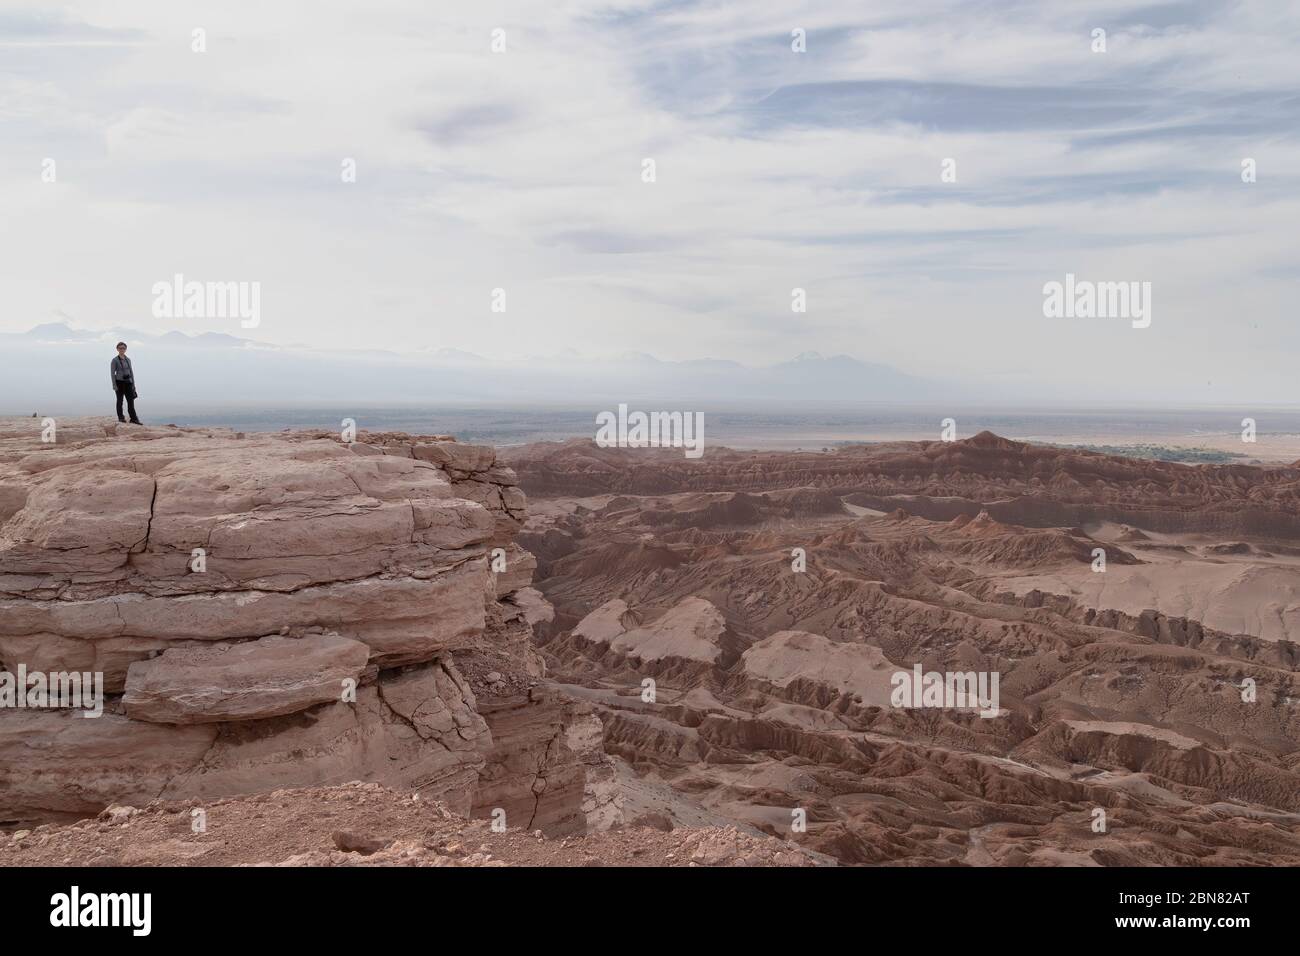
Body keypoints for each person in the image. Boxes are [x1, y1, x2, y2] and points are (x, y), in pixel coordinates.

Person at [110, 342, 141, 424]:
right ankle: (121, 418)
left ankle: (134, 419)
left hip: (128, 383)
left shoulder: (128, 359)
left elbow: (131, 372)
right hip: (119, 383)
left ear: (126, 349)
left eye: (123, 348)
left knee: (131, 401)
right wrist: (114, 385)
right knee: (120, 401)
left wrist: (133, 384)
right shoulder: (115, 360)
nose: (122, 349)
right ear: (117, 349)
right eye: (120, 348)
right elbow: (112, 373)